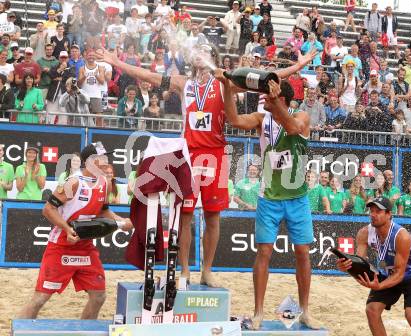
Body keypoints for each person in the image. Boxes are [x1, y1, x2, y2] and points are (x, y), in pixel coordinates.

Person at [95, 43, 316, 289]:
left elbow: (265, 79)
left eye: (206, 51)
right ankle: (185, 271)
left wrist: (299, 65)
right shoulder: (182, 83)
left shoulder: (226, 81)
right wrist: (117, 62)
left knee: (213, 216)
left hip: (216, 155)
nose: (200, 54)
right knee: (185, 216)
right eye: (197, 50)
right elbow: (147, 76)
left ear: (213, 57)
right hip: (188, 154)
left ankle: (207, 270)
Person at [218, 73, 320, 330]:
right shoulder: (262, 119)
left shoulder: (302, 116)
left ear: (281, 98)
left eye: (269, 95)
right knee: (263, 253)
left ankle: (305, 311)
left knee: (303, 254)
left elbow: (293, 128)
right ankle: (258, 312)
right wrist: (227, 89)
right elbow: (233, 120)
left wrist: (276, 106)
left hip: (297, 197)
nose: (263, 97)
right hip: (269, 198)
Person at [17, 142, 133, 319]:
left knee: (99, 296)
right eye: (102, 158)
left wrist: (122, 221)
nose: (107, 162)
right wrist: (66, 228)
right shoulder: (73, 182)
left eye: (106, 158)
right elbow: (48, 209)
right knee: (41, 298)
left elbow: (103, 211)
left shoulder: (105, 183)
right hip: (61, 246)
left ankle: (86, 331)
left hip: (85, 247)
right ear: (89, 162)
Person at [336, 197, 411, 336]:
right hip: (388, 273)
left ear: (389, 214)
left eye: (378, 211)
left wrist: (379, 286)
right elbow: (359, 264)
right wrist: (347, 267)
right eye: (371, 211)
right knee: (371, 311)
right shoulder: (364, 233)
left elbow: (399, 274)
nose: (373, 214)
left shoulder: (401, 236)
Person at [78, 49, 105, 127]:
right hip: (85, 95)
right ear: (86, 56)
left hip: (96, 95)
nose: (91, 57)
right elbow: (79, 84)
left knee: (99, 116)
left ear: (95, 57)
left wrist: (96, 75)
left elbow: (102, 81)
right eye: (89, 55)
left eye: (93, 55)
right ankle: (85, 133)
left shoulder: (100, 67)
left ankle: (98, 133)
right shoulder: (82, 68)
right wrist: (84, 76)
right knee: (85, 116)